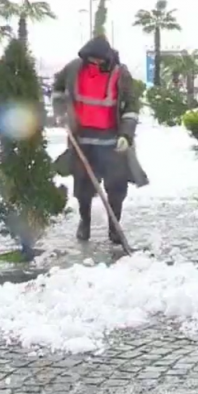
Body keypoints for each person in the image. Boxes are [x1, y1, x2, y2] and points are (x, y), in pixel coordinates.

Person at [51, 35, 149, 244]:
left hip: (112, 141)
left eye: (99, 60)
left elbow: (131, 106)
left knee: (116, 188)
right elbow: (57, 89)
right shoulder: (74, 69)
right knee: (83, 188)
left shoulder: (121, 74)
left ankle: (114, 227)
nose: (95, 63)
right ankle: (84, 221)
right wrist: (60, 113)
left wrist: (126, 135)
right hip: (82, 139)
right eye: (91, 59)